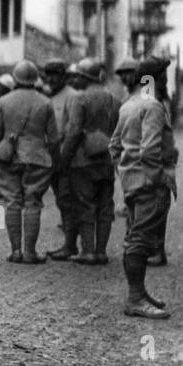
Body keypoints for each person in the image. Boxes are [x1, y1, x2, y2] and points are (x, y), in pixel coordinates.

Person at [109, 56, 175, 318]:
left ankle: (140, 293)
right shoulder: (154, 106)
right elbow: (149, 150)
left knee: (136, 236)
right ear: (153, 79)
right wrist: (158, 177)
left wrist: (126, 173)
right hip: (150, 184)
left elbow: (114, 146)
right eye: (163, 77)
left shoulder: (128, 106)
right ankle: (135, 298)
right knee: (140, 239)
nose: (165, 82)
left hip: (133, 183)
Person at [0, 59, 59, 265]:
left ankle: (15, 251)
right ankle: (30, 252)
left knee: (11, 202)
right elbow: (53, 138)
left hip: (9, 157)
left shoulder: (3, 101)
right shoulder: (45, 102)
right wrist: (53, 158)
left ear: (15, 78)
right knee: (33, 203)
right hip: (37, 157)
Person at [61, 58, 119, 266]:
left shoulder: (80, 99)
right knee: (105, 206)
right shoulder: (113, 99)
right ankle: (101, 251)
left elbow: (74, 131)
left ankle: (88, 251)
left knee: (84, 205)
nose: (75, 79)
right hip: (107, 160)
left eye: (78, 75)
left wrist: (64, 159)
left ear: (86, 77)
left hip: (82, 161)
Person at [41, 59, 82, 260]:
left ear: (63, 76)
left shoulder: (72, 97)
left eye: (55, 74)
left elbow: (72, 130)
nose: (50, 78)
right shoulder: (47, 97)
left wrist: (64, 159)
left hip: (67, 158)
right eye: (48, 74)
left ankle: (70, 245)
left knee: (68, 201)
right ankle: (70, 242)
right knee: (61, 200)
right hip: (51, 158)